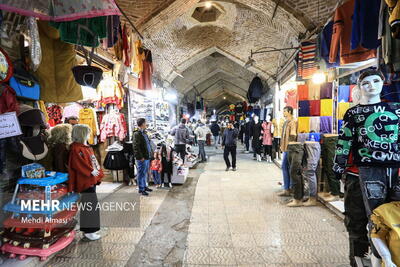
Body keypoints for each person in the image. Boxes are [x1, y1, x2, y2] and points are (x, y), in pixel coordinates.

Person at [68, 124, 104, 241]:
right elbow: (77, 164)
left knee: (91, 205)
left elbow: (91, 161)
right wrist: (91, 170)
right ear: (82, 134)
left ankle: (89, 230)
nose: (89, 135)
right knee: (90, 205)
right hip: (85, 180)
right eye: (87, 133)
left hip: (89, 180)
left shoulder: (83, 147)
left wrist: (96, 171)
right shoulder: (76, 148)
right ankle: (89, 231)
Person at [277, 106, 297, 197]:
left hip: (290, 148)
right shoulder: (286, 122)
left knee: (286, 167)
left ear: (289, 112)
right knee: (286, 167)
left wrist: (290, 146)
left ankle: (289, 188)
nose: (283, 113)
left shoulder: (292, 122)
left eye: (285, 111)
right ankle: (287, 188)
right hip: (285, 148)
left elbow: (293, 135)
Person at [132, 118, 154, 196]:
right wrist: (140, 157)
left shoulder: (144, 133)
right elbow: (135, 147)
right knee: (141, 173)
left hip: (146, 156)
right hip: (142, 158)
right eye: (145, 123)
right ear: (142, 124)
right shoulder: (137, 134)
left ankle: (144, 186)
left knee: (144, 173)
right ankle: (141, 189)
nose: (146, 124)